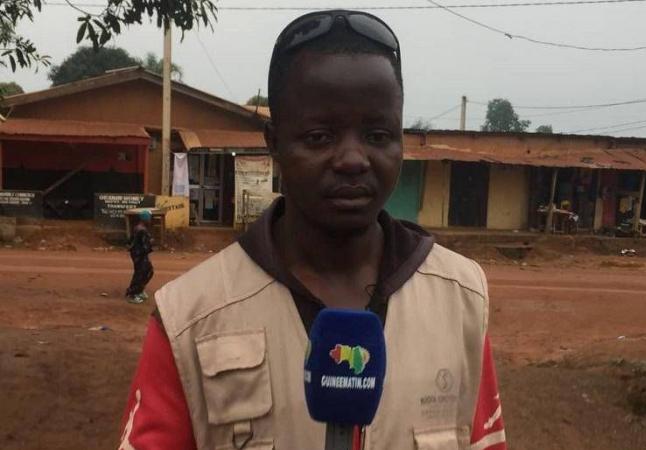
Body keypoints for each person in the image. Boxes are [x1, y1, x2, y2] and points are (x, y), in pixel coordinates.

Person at [119, 10, 506, 450]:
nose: (353, 159)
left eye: (378, 135)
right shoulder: (190, 315)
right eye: (320, 137)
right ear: (274, 143)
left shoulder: (461, 300)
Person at [125, 209, 154, 304]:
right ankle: (132, 294)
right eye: (149, 218)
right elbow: (145, 245)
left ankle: (139, 290)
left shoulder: (138, 228)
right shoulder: (142, 230)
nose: (150, 220)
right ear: (145, 219)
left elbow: (130, 241)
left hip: (138, 254)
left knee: (147, 271)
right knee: (141, 273)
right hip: (139, 254)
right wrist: (150, 244)